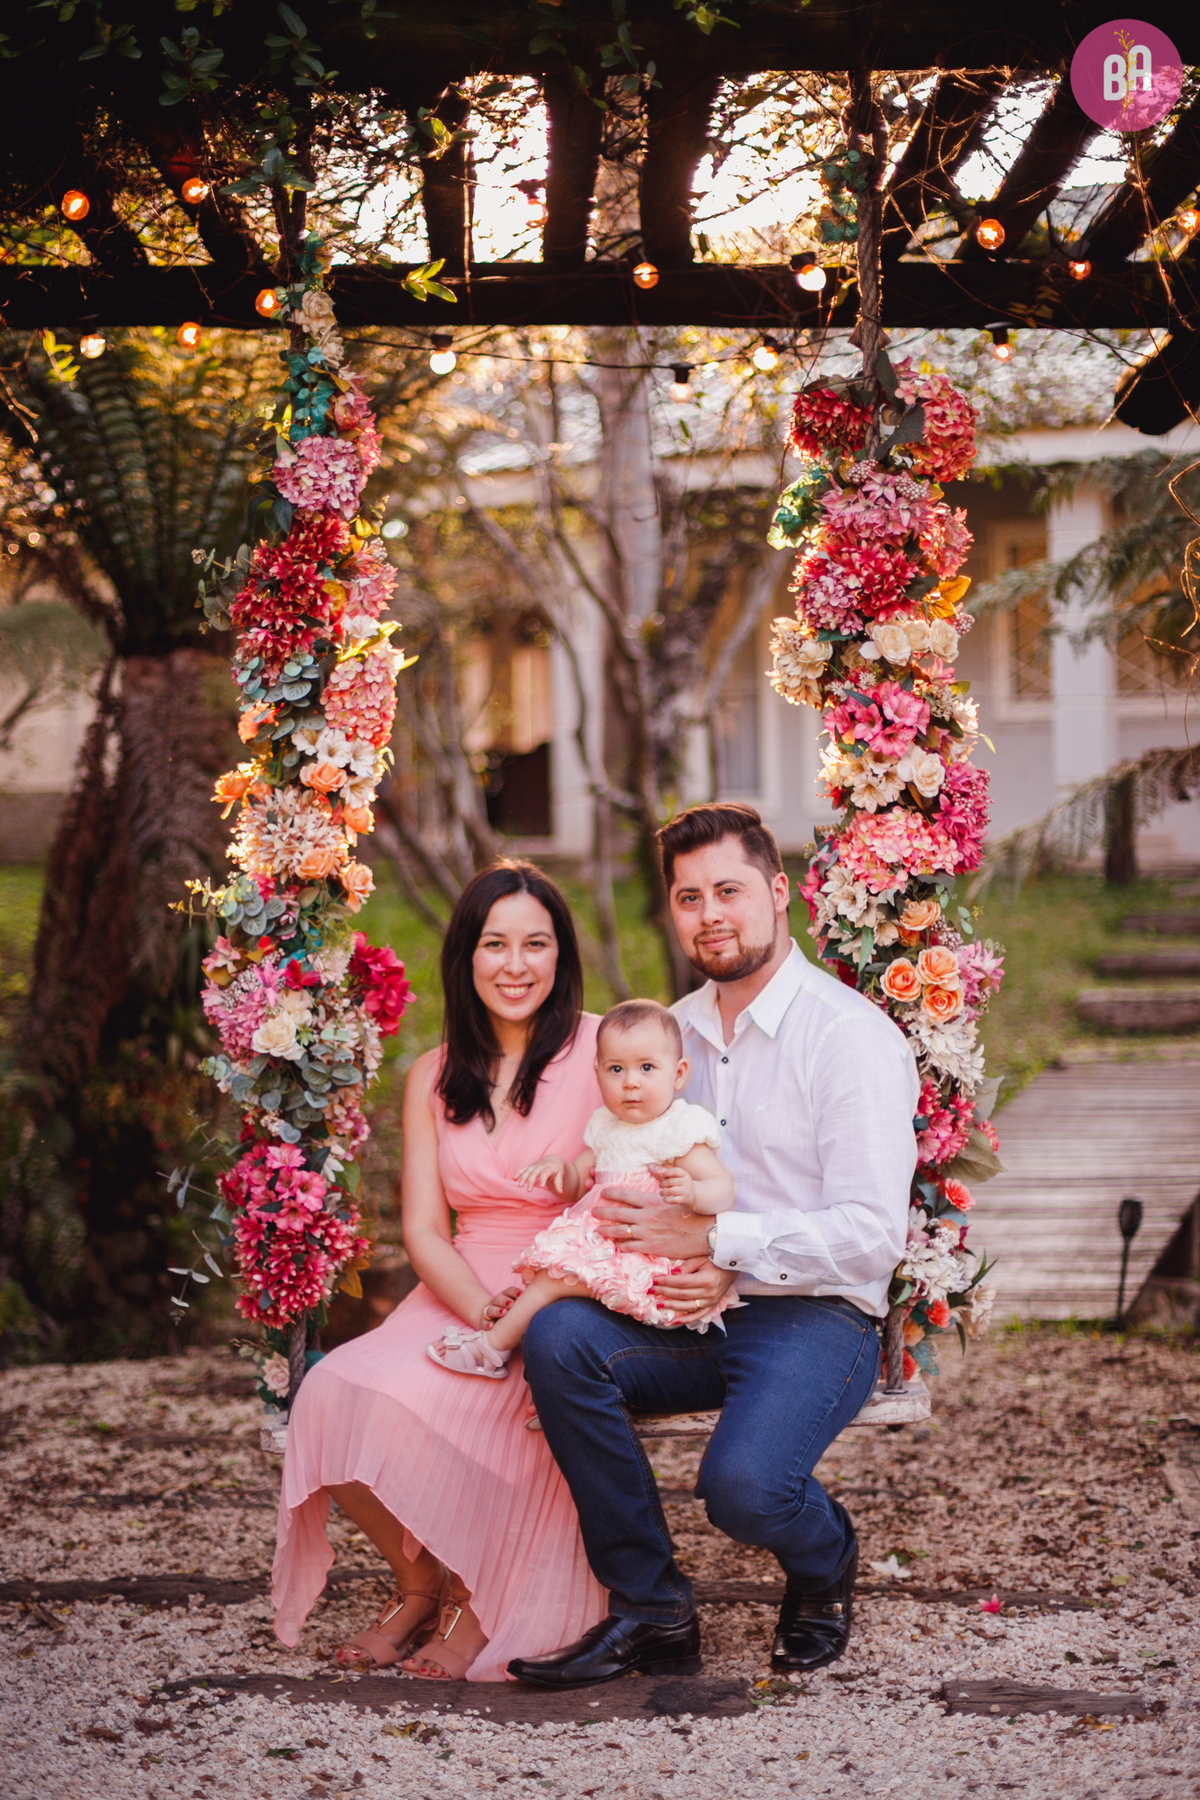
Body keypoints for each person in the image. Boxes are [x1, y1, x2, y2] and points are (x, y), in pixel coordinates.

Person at [508, 803, 918, 1691]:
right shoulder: (670, 1034)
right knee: (559, 1341)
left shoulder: (847, 1038)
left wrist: (724, 1242)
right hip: (683, 1310)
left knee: (742, 1492)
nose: (710, 915)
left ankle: (823, 1562)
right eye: (689, 897)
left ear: (779, 893)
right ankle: (651, 1611)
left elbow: (874, 1234)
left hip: (815, 1317)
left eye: (728, 890)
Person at [272, 860, 608, 1681]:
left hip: (567, 1285)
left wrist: (518, 1314)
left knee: (496, 1408)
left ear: (561, 956)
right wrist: (480, 1307)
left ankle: (485, 1598)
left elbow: (628, 1188)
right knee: (331, 1391)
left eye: (537, 944)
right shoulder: (434, 1072)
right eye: (496, 944)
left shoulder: (603, 1048)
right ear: (466, 957)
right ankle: (420, 1582)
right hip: (458, 1286)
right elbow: (425, 1229)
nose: (517, 964)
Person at [425, 998, 737, 1376]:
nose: (631, 1082)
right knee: (557, 1302)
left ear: (679, 1073)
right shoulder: (606, 1126)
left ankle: (491, 1348)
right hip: (605, 1245)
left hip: (647, 1256)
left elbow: (724, 1189)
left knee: (551, 1280)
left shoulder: (678, 1129)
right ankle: (564, 1384)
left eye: (647, 1068)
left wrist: (692, 1192)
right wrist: (560, 1171)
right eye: (616, 1069)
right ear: (598, 1072)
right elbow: (579, 1185)